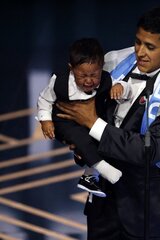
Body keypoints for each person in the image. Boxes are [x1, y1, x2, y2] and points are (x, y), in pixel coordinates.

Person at [57, 7, 160, 240]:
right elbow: (77, 104)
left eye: (150, 47)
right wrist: (81, 146)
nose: (140, 52)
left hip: (152, 212)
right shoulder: (112, 62)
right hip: (104, 205)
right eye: (138, 42)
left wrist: (92, 124)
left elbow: (151, 150)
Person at [37, 38, 130, 197]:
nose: (89, 80)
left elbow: (122, 87)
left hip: (91, 120)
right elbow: (44, 100)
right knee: (80, 137)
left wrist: (121, 87)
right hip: (65, 121)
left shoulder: (106, 79)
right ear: (71, 69)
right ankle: (102, 168)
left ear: (101, 68)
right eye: (83, 75)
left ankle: (89, 175)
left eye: (94, 74)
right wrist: (45, 120)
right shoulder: (59, 82)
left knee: (103, 135)